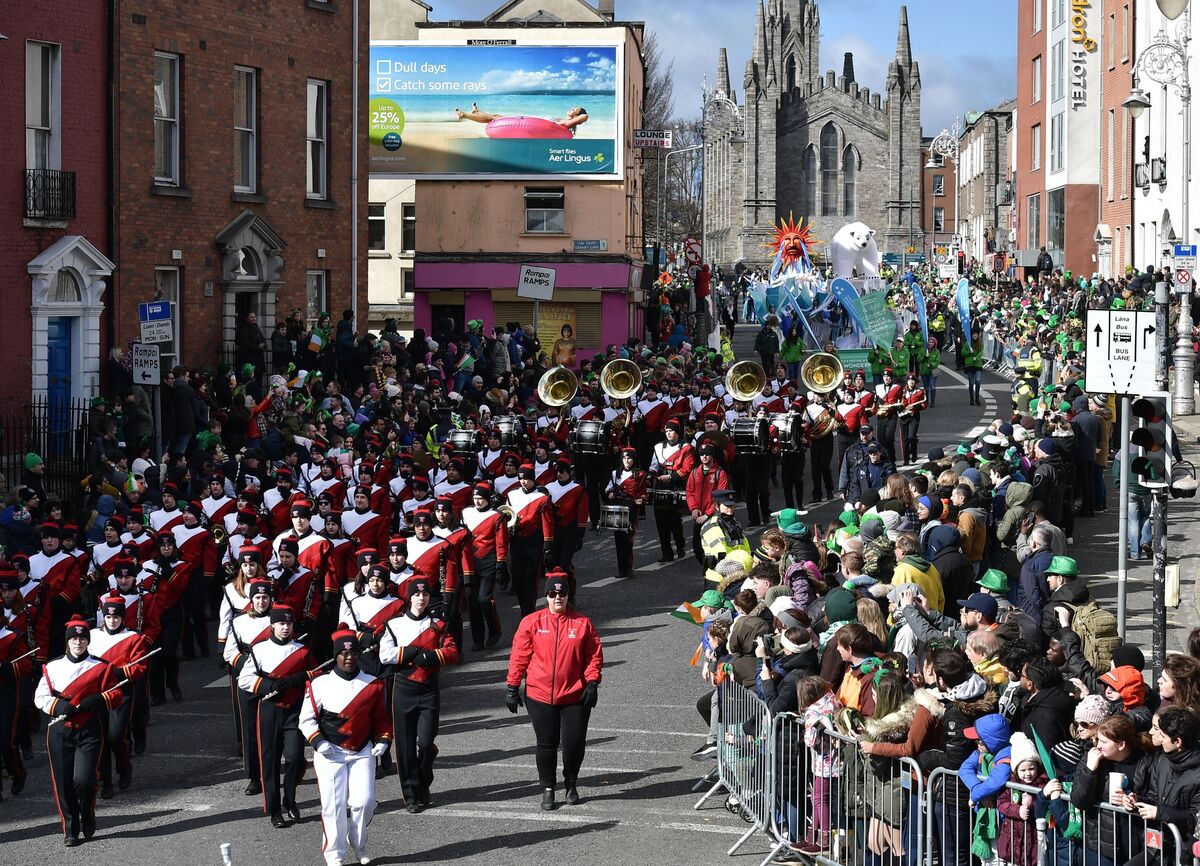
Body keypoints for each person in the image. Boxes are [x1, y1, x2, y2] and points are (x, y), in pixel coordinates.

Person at [505, 570, 603, 811]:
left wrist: (592, 682)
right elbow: (519, 655)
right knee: (546, 743)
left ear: (568, 596)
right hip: (539, 695)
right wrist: (512, 685)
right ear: (546, 596)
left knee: (573, 743)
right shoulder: (531, 622)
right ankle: (548, 788)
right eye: (552, 593)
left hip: (574, 696)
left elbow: (593, 656)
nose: (557, 597)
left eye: (562, 593)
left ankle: (571, 783)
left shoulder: (583, 624)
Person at [300, 629, 391, 866]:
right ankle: (334, 854)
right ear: (336, 655)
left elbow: (381, 718)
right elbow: (306, 720)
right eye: (343, 652)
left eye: (353, 652)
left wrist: (383, 740)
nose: (349, 656)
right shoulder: (319, 684)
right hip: (330, 753)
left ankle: (358, 842)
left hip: (362, 751)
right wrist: (318, 742)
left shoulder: (373, 684)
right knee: (334, 805)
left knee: (365, 801)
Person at [34, 616, 123, 846]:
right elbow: (40, 697)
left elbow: (116, 694)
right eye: (74, 638)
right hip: (60, 731)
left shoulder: (101, 667)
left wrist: (97, 699)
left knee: (84, 780)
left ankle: (88, 812)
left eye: (83, 638)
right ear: (67, 641)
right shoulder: (53, 667)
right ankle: (70, 829)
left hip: (89, 729)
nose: (78, 642)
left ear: (88, 641)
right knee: (63, 784)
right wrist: (59, 706)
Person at [378, 576, 458, 812]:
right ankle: (411, 795)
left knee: (425, 742)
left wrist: (431, 657)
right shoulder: (394, 625)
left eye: (424, 595)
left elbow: (453, 652)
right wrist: (412, 652)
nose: (421, 598)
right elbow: (385, 655)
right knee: (404, 745)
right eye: (416, 594)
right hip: (403, 688)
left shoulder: (439, 625)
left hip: (429, 688)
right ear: (409, 597)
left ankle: (424, 778)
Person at [236, 603, 316, 827]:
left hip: (294, 710)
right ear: (272, 626)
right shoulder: (259, 649)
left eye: (289, 624)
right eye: (281, 623)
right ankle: (274, 810)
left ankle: (289, 799)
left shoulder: (302, 650)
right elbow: (244, 679)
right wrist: (268, 684)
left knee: (295, 758)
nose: (285, 628)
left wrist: (297, 679)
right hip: (269, 709)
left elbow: (316, 673)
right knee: (269, 762)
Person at [455, 103, 590, 135]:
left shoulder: (568, 123)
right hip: (530, 122)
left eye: (574, 109)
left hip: (530, 125)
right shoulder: (563, 119)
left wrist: (581, 113)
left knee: (493, 118)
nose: (571, 108)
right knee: (495, 116)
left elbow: (585, 116)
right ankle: (476, 111)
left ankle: (465, 115)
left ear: (576, 116)